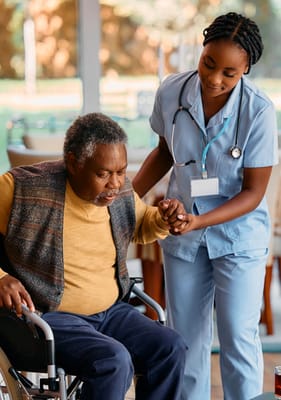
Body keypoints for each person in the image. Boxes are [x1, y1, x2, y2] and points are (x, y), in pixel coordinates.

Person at [132, 11, 279, 400]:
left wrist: (202, 221)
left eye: (229, 73)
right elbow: (164, 152)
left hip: (238, 236)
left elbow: (253, 193)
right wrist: (125, 198)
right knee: (187, 340)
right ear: (201, 51)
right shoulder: (172, 93)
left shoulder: (259, 113)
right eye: (208, 64)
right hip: (183, 234)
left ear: (246, 69)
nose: (214, 79)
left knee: (236, 335)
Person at [0, 112, 188, 400]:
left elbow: (140, 225)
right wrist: (1, 277)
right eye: (103, 174)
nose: (115, 183)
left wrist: (164, 218)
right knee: (113, 361)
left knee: (170, 347)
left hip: (111, 312)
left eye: (121, 172)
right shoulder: (21, 189)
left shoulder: (120, 191)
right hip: (48, 317)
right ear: (74, 163)